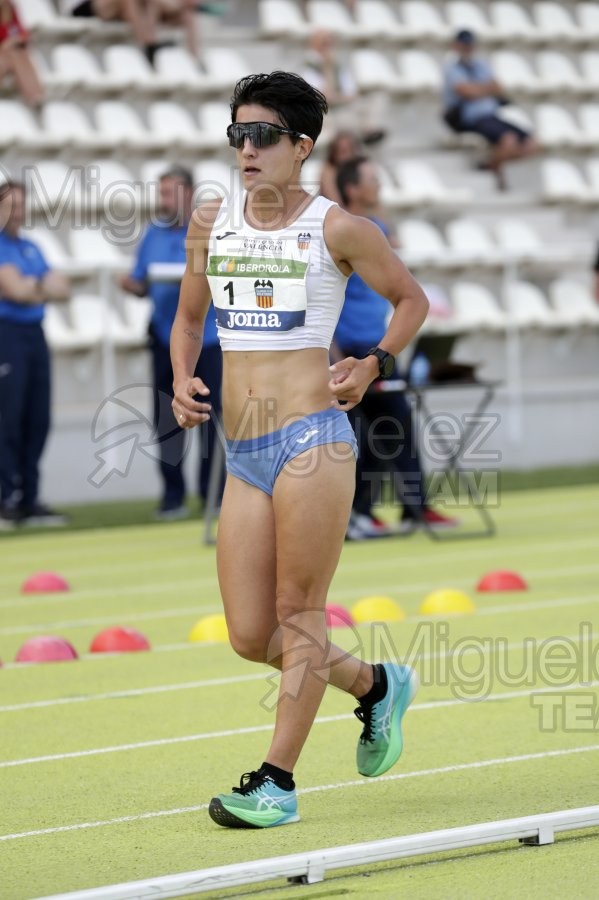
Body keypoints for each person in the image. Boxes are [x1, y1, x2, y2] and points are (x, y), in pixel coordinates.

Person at [170, 70, 429, 829]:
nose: (245, 149)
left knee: (299, 610)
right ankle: (377, 687)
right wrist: (183, 378)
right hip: (241, 450)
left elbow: (409, 298)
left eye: (261, 136)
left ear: (300, 146)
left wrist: (374, 361)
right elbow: (189, 321)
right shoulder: (210, 220)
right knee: (251, 635)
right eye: (236, 135)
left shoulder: (337, 227)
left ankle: (275, 782)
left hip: (313, 438)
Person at [332, 156, 459, 539]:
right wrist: (333, 355)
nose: (380, 187)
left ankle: (412, 507)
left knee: (397, 429)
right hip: (350, 348)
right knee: (357, 437)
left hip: (380, 347)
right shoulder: (336, 232)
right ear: (352, 188)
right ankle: (358, 514)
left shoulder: (375, 229)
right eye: (372, 181)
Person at [120, 166, 222, 520]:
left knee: (211, 417)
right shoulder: (153, 234)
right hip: (164, 337)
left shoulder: (208, 229)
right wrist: (133, 286)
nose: (164, 200)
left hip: (208, 340)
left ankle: (214, 494)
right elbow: (141, 279)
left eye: (171, 192)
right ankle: (172, 495)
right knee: (167, 416)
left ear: (189, 193)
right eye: (161, 193)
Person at [0, 176, 70, 528]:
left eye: (21, 203)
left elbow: (63, 288)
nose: (17, 211)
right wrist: (38, 286)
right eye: (10, 203)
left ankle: (29, 498)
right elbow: (14, 290)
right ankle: (5, 499)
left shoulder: (31, 246)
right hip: (7, 334)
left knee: (37, 419)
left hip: (34, 334)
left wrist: (33, 287)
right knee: (8, 418)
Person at [441, 29, 538, 191]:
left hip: (491, 116)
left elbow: (496, 87)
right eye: (465, 45)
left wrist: (476, 90)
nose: (468, 49)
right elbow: (466, 91)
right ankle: (493, 168)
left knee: (531, 143)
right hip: (471, 118)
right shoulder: (452, 67)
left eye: (470, 45)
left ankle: (491, 164)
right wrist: (485, 89)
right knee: (508, 140)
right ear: (457, 46)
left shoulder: (481, 64)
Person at [301, 29, 386, 146]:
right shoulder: (309, 68)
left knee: (377, 98)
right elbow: (325, 97)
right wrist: (326, 69)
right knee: (352, 117)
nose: (328, 48)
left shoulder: (338, 66)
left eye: (330, 43)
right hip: (329, 114)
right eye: (324, 44)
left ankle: (369, 131)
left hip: (345, 107)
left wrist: (341, 97)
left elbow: (351, 92)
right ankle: (365, 133)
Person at [63, 0, 200, 64]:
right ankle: (149, 44)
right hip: (88, 7)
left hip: (117, 7)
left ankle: (194, 60)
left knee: (187, 14)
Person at [0, 1, 44, 108]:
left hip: (9, 55)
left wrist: (14, 41)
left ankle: (35, 96)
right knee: (16, 53)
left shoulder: (12, 10)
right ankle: (35, 95)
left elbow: (23, 33)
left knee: (18, 53)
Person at [318, 129, 364, 204]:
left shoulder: (360, 168)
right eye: (343, 152)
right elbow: (336, 203)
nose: (347, 156)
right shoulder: (328, 171)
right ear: (334, 153)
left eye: (351, 150)